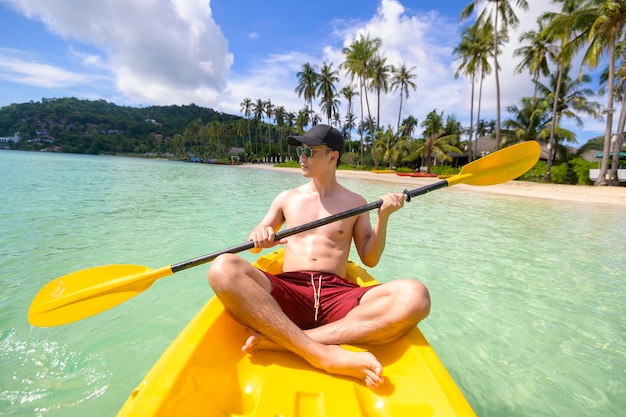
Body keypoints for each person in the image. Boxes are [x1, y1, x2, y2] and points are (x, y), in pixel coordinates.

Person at [207, 124, 430, 389]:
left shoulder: (356, 202)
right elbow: (252, 244)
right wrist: (260, 236)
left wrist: (384, 218)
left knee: (416, 295)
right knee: (222, 267)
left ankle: (289, 340)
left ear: (333, 157)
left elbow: (369, 259)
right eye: (301, 150)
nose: (301, 157)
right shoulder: (286, 198)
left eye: (309, 151)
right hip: (290, 289)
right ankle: (320, 353)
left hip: (338, 295)